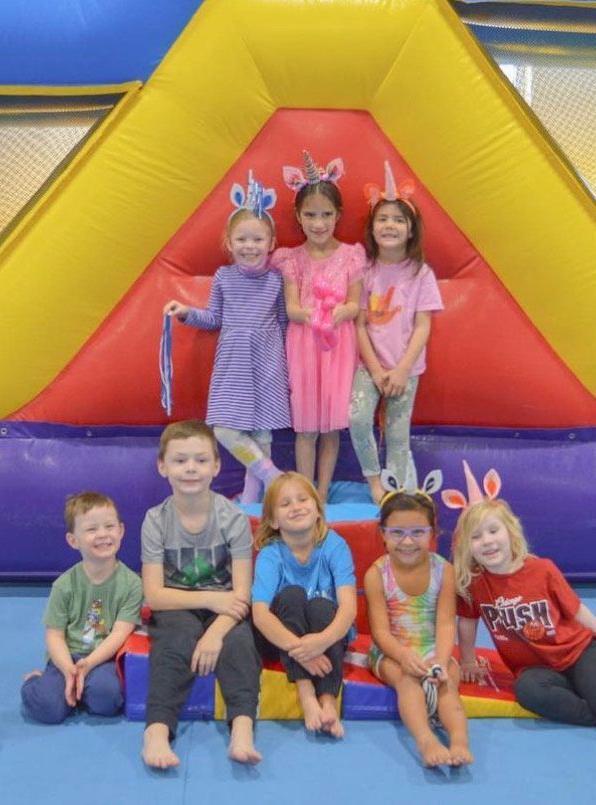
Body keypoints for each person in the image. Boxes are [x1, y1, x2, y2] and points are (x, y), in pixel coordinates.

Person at [453, 497, 596, 729]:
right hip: (538, 671)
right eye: (476, 536)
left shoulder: (542, 570)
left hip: (580, 655)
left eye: (493, 531)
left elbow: (578, 611)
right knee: (527, 692)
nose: (487, 541)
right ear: (468, 547)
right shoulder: (475, 584)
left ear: (511, 531)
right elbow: (467, 621)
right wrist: (468, 661)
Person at [140, 420, 262, 768]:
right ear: (163, 467)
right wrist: (209, 599)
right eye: (180, 461)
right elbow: (155, 596)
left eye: (200, 460)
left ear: (216, 466)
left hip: (228, 610)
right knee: (174, 641)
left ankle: (242, 728)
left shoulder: (233, 519)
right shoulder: (156, 520)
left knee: (239, 644)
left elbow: (242, 594)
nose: (190, 468)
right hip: (182, 604)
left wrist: (214, 632)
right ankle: (157, 732)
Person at [164, 171, 291, 504]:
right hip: (234, 363)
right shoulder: (223, 276)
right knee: (225, 429)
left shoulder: (278, 279)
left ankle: (251, 501)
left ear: (271, 243)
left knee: (262, 435)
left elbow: (284, 322)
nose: (250, 247)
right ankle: (275, 478)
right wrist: (186, 312)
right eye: (242, 240)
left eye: (258, 240)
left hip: (267, 361)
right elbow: (214, 318)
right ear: (230, 242)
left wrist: (292, 368)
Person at [272, 150, 364, 499]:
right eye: (311, 215)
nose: (319, 223)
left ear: (338, 215)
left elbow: (356, 302)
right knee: (307, 426)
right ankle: (305, 489)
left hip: (338, 346)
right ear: (299, 216)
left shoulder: (352, 255)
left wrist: (342, 311)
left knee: (332, 428)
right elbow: (293, 307)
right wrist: (315, 314)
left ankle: (322, 490)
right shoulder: (291, 258)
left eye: (326, 215)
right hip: (305, 345)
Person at [350, 162, 443, 503]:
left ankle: (395, 491)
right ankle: (376, 482)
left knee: (397, 434)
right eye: (383, 219)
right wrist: (375, 370)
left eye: (398, 219)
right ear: (372, 227)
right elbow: (359, 323)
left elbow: (423, 325)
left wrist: (402, 369)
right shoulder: (365, 271)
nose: (390, 225)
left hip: (407, 369)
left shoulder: (421, 274)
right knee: (358, 418)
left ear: (411, 229)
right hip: (368, 366)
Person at [364, 490, 471, 767]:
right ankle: (426, 740)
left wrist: (442, 658)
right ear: (383, 534)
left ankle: (459, 740)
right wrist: (402, 656)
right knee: (408, 682)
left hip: (434, 647)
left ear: (432, 532)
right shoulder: (377, 574)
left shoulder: (444, 570)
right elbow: (380, 632)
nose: (408, 541)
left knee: (447, 684)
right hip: (390, 652)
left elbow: (447, 622)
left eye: (418, 532)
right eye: (397, 532)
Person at [250, 472, 357, 738]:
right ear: (273, 520)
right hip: (284, 640)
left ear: (318, 510)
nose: (296, 507)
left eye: (302, 499)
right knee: (292, 594)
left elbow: (348, 609)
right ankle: (307, 694)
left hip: (327, 637)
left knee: (321, 605)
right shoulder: (271, 554)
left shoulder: (334, 545)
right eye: (285, 504)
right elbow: (261, 615)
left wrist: (320, 642)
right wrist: (301, 651)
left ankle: (328, 701)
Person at [21, 491, 142, 723]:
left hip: (102, 657)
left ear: (121, 530)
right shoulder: (64, 585)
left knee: (107, 701)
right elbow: (54, 635)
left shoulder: (132, 584)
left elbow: (120, 633)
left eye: (109, 526)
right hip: (67, 655)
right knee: (48, 709)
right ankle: (35, 680)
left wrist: (88, 664)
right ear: (73, 540)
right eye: (91, 529)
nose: (103, 535)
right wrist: (69, 669)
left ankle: (81, 690)